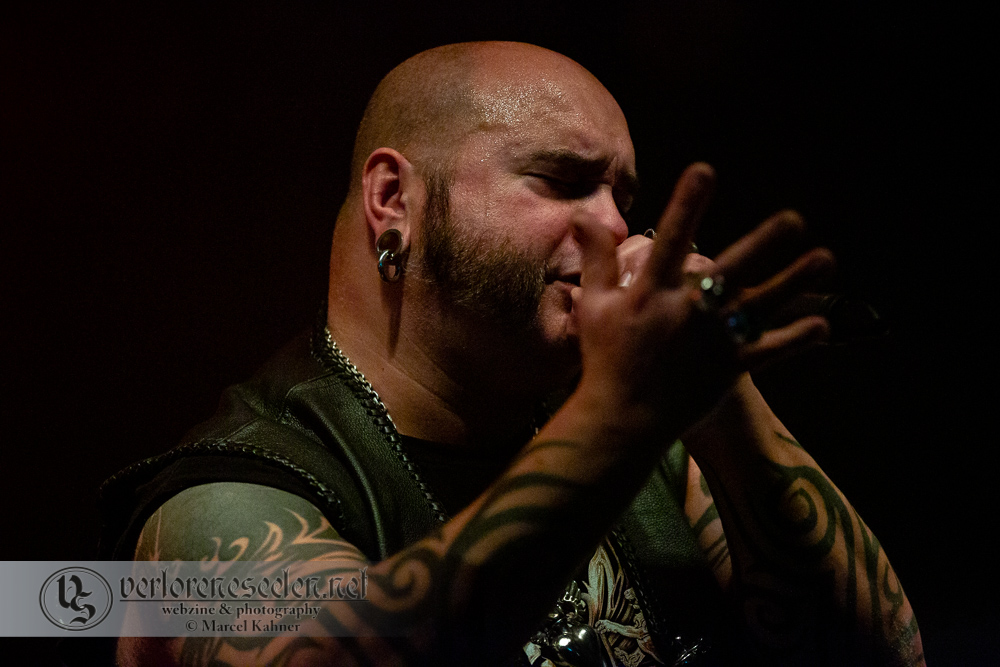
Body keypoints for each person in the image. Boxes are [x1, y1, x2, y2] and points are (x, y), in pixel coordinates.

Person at [102, 41, 924, 666]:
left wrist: (720, 398)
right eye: (562, 181)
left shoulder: (654, 450)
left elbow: (884, 655)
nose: (615, 227)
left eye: (622, 196)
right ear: (393, 200)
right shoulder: (212, 508)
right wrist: (620, 417)